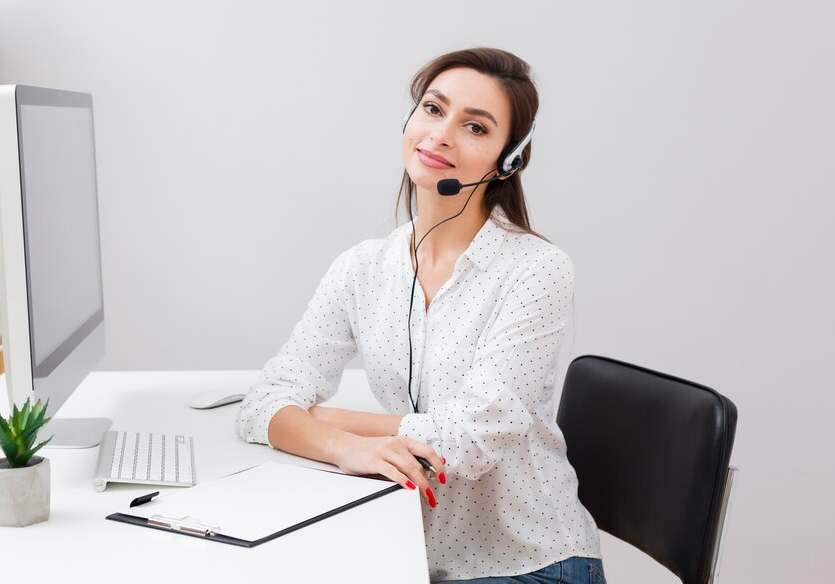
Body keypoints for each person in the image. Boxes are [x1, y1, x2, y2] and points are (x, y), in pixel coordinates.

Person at [235, 47, 604, 584]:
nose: (442, 135)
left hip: (528, 563)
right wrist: (345, 448)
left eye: (475, 127)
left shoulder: (537, 269)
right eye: (433, 109)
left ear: (508, 159)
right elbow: (262, 404)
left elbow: (469, 439)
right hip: (408, 551)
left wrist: (321, 419)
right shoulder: (362, 268)